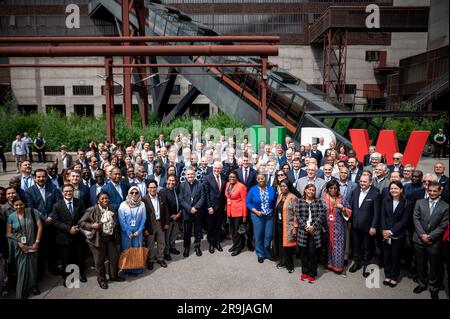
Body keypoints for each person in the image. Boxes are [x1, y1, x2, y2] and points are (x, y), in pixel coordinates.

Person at [79, 192, 124, 289]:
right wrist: (91, 225)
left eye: (106, 198)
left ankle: (113, 276)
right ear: (98, 200)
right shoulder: (92, 210)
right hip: (97, 239)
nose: (105, 200)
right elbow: (81, 222)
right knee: (99, 261)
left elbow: (115, 221)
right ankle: (102, 280)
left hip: (110, 238)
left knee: (114, 257)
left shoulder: (111, 208)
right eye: (102, 199)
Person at [413, 181, 449, 299]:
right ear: (427, 190)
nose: (432, 193)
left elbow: (443, 226)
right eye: (430, 191)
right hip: (419, 239)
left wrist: (430, 237)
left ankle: (434, 287)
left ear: (440, 191)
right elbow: (416, 219)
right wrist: (423, 235)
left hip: (434, 242)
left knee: (435, 266)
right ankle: (422, 284)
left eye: (435, 191)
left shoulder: (446, 206)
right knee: (421, 264)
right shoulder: (419, 202)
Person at [24, 168, 62, 280]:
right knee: (40, 251)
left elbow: (58, 204)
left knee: (52, 248)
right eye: (38, 177)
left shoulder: (53, 188)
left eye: (43, 176)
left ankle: (53, 268)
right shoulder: (29, 191)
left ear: (46, 177)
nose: (41, 179)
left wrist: (50, 217)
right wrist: (43, 219)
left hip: (52, 223)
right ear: (34, 178)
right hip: (38, 225)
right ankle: (40, 273)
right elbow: (31, 207)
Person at [51, 184, 87, 287]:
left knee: (79, 257)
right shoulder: (57, 205)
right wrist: (68, 229)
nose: (68, 193)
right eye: (66, 191)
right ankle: (67, 277)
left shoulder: (79, 202)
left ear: (73, 192)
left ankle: (79, 274)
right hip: (64, 237)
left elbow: (83, 216)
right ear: (62, 193)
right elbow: (55, 221)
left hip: (78, 235)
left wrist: (78, 227)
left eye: (70, 191)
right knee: (66, 259)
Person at [6, 198, 42, 299]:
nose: (18, 207)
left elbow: (40, 227)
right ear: (13, 206)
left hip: (33, 244)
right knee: (21, 268)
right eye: (16, 205)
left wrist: (37, 242)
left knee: (32, 267)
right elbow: (8, 233)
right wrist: (19, 244)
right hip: (19, 247)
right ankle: (22, 290)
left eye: (20, 204)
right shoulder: (11, 217)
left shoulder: (32, 212)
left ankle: (33, 287)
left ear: (24, 204)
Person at [380, 181, 412, 288]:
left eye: (396, 189)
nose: (393, 191)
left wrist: (391, 231)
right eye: (391, 189)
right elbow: (383, 216)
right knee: (386, 256)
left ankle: (394, 276)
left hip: (397, 234)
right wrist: (384, 230)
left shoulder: (407, 203)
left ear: (401, 190)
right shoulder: (386, 200)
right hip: (385, 233)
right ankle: (387, 275)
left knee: (395, 256)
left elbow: (404, 221)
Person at [348, 174, 381, 277]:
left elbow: (377, 213)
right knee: (356, 246)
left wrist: (374, 226)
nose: (362, 183)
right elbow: (352, 206)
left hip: (368, 227)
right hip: (356, 225)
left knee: (367, 248)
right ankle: (357, 262)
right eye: (361, 181)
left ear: (370, 182)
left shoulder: (375, 194)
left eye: (364, 182)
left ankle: (366, 265)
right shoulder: (356, 191)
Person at [297, 184, 326, 283]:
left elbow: (321, 215)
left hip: (315, 231)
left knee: (313, 253)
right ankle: (304, 272)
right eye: (309, 189)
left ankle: (312, 273)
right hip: (303, 231)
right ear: (305, 190)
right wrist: (306, 227)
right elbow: (298, 215)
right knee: (303, 253)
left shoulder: (318, 201)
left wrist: (313, 226)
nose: (311, 192)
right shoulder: (300, 201)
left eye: (313, 190)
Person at [246, 173, 277, 263]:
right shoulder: (253, 189)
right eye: (259, 179)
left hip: (269, 216)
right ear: (256, 179)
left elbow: (275, 202)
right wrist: (256, 211)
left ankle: (267, 251)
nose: (261, 180)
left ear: (265, 179)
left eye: (262, 178)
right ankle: (260, 254)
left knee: (268, 235)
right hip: (257, 216)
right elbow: (248, 203)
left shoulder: (271, 189)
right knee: (259, 235)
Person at [323, 180, 351, 274]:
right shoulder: (323, 199)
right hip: (326, 227)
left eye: (335, 188)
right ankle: (329, 265)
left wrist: (342, 208)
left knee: (338, 247)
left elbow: (349, 213)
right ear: (327, 189)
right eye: (331, 188)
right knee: (328, 246)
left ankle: (338, 267)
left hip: (339, 229)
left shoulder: (342, 199)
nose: (333, 190)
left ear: (338, 189)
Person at [117, 186, 147, 276]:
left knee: (136, 250)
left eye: (136, 192)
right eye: (132, 192)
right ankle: (127, 269)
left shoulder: (142, 204)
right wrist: (128, 232)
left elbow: (144, 218)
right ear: (128, 193)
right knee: (127, 250)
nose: (134, 194)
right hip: (126, 232)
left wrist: (139, 230)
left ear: (139, 194)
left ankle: (136, 269)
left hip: (138, 232)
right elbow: (121, 220)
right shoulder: (123, 205)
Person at [142, 180, 169, 270]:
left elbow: (166, 210)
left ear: (157, 188)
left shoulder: (161, 197)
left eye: (154, 187)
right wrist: (145, 228)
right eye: (151, 187)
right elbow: (142, 215)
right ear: (147, 189)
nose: (153, 189)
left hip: (160, 223)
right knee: (150, 244)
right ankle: (150, 260)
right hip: (150, 225)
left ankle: (160, 258)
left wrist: (166, 223)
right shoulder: (144, 199)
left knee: (161, 242)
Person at [273, 179, 298, 273]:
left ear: (289, 187)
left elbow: (296, 214)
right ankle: (282, 261)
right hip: (279, 224)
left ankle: (290, 265)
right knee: (280, 244)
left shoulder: (293, 198)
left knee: (288, 246)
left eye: (285, 186)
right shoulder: (280, 196)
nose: (282, 188)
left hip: (288, 226)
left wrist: (295, 227)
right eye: (281, 186)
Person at [179, 167, 205, 257]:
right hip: (187, 212)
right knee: (187, 231)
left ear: (195, 175)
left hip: (197, 212)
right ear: (186, 176)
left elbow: (202, 198)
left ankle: (197, 246)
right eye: (188, 174)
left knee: (198, 231)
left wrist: (195, 207)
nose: (190, 176)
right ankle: (186, 247)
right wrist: (190, 208)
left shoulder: (200, 184)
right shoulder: (182, 185)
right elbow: (181, 199)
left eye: (192, 174)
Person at [203, 162, 226, 253]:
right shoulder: (207, 178)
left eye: (218, 168)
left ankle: (217, 242)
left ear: (221, 169)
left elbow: (223, 194)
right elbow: (206, 194)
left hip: (220, 207)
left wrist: (224, 205)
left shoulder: (224, 177)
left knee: (218, 225)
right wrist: (209, 207)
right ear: (212, 168)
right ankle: (211, 244)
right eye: (215, 168)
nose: (217, 170)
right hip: (211, 207)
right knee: (210, 226)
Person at [225, 171, 248, 256]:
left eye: (234, 177)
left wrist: (244, 215)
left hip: (238, 212)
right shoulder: (228, 184)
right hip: (229, 211)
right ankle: (235, 244)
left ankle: (238, 247)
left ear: (237, 177)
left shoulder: (241, 186)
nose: (232, 178)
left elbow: (244, 202)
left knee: (238, 231)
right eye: (230, 177)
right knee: (232, 230)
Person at [159, 175, 182, 260]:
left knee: (174, 235)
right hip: (168, 219)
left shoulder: (175, 190)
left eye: (173, 181)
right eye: (170, 180)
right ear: (166, 181)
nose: (171, 182)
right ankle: (166, 252)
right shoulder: (163, 191)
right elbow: (164, 207)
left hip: (177, 217)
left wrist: (179, 213)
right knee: (167, 237)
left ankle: (172, 248)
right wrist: (171, 216)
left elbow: (179, 202)